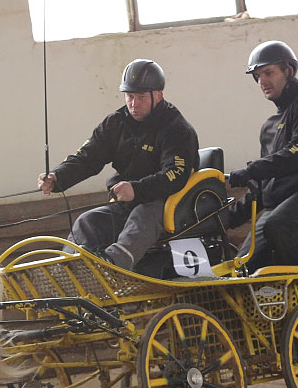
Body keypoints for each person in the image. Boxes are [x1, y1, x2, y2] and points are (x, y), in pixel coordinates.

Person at [37, 59, 199, 270]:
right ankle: (67, 270)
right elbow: (88, 157)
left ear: (158, 95)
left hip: (167, 202)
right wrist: (58, 177)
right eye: (129, 96)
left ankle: (112, 268)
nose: (133, 104)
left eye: (141, 97)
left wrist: (137, 189)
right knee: (88, 221)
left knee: (142, 216)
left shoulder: (176, 128)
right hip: (128, 201)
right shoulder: (116, 123)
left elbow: (175, 174)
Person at [226, 41, 298, 272]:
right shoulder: (269, 126)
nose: (263, 82)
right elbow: (262, 184)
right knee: (240, 271)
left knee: (280, 226)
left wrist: (249, 170)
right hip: (277, 207)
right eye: (257, 76)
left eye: (268, 73)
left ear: (289, 70)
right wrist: (222, 219)